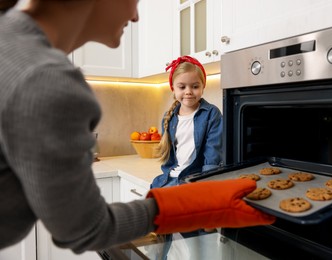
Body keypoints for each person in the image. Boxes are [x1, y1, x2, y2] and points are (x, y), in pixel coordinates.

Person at [0, 0, 275, 255]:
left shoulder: (11, 42)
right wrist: (196, 206)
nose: (135, 15)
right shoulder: (45, 78)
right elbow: (84, 227)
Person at [151, 55, 222, 189]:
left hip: (195, 180)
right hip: (169, 179)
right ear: (173, 88)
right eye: (182, 87)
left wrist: (207, 186)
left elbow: (213, 154)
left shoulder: (212, 114)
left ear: (203, 86)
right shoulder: (169, 117)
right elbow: (169, 159)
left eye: (195, 86)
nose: (188, 92)